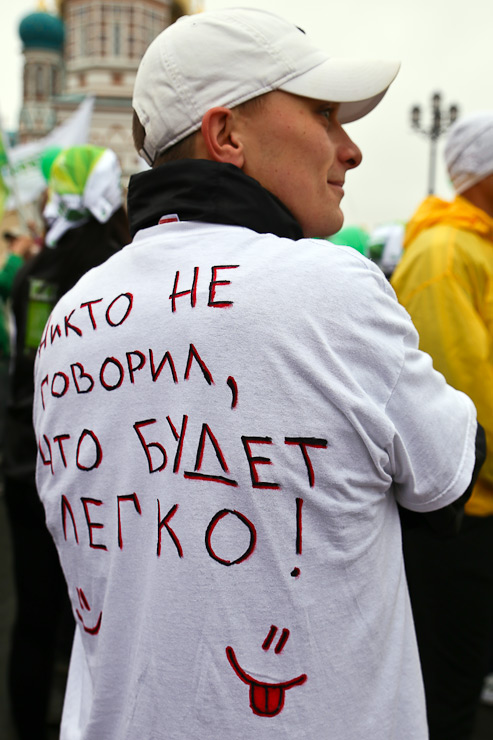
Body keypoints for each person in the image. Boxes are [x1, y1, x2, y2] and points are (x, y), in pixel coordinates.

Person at [32, 9, 483, 740]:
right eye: (323, 115)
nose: (350, 149)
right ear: (227, 136)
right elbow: (447, 478)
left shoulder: (73, 316)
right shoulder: (329, 285)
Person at [4, 144, 130, 740]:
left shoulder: (33, 272)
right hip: (99, 472)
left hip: (26, 464)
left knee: (33, 614)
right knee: (97, 618)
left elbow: (26, 366)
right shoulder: (118, 272)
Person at [391, 111, 493, 739]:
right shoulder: (446, 252)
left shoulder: (473, 246)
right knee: (448, 695)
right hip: (464, 517)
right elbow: (465, 399)